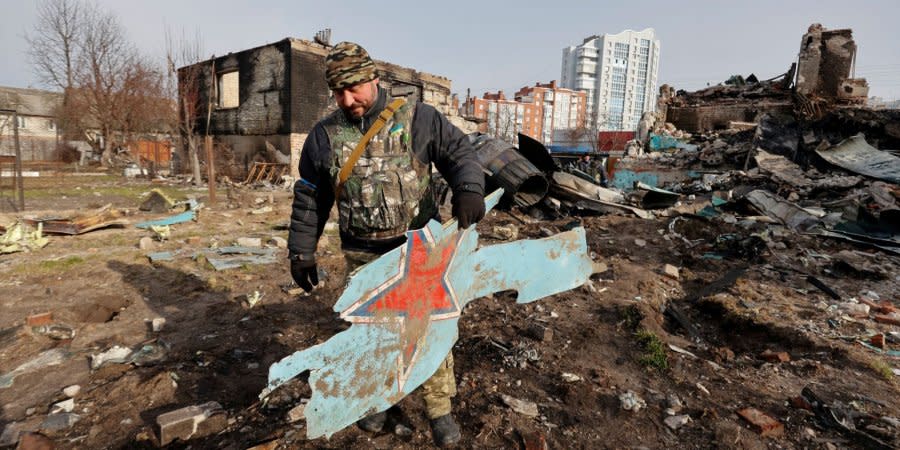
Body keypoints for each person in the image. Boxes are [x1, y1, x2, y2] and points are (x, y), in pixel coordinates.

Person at [287, 41, 485, 447]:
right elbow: (310, 196)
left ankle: (439, 410)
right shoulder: (324, 137)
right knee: (372, 333)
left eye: (354, 88)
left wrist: (468, 188)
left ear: (374, 78)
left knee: (427, 330)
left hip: (419, 253)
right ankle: (378, 399)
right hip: (363, 255)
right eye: (338, 92)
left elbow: (460, 153)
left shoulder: (420, 118)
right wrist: (301, 251)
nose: (348, 100)